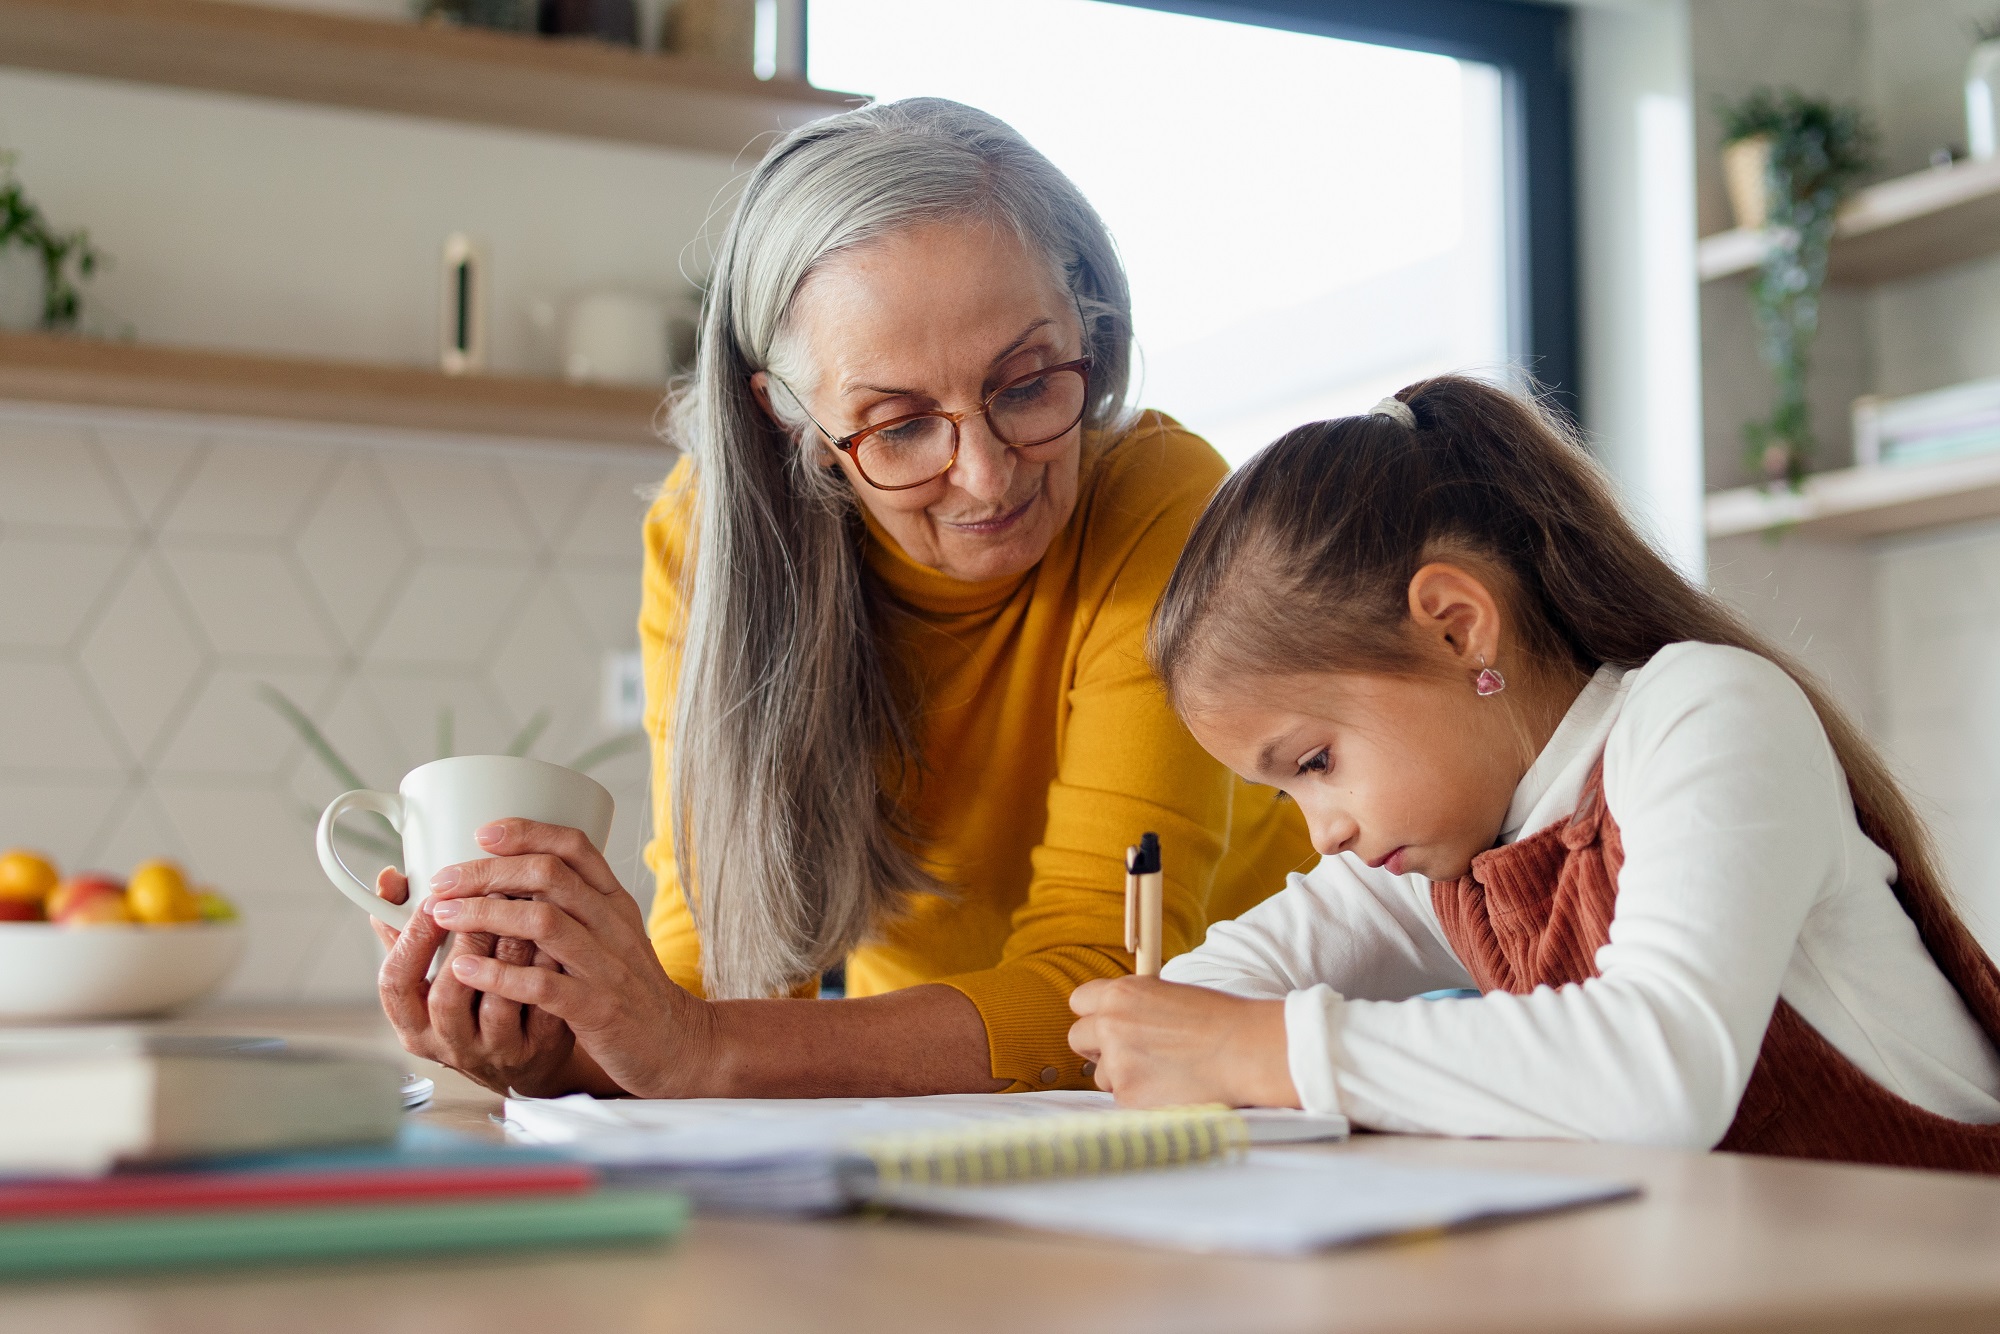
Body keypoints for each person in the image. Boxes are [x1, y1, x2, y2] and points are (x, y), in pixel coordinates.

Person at [368, 98, 1312, 1099]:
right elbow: (714, 972)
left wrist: (690, 1041)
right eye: (900, 425)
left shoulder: (1157, 503)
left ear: (1091, 321)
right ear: (788, 414)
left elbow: (1104, 977)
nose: (988, 474)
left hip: (1253, 1072)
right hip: (944, 1102)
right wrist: (550, 1043)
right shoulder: (712, 539)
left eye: (1029, 383)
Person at [1068, 374, 2000, 1171]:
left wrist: (1259, 1050)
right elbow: (1223, 984)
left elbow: (1657, 1068)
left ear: (1455, 624)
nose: (1323, 830)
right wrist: (1154, 1030)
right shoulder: (1456, 855)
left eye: (1316, 762)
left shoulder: (1704, 714)